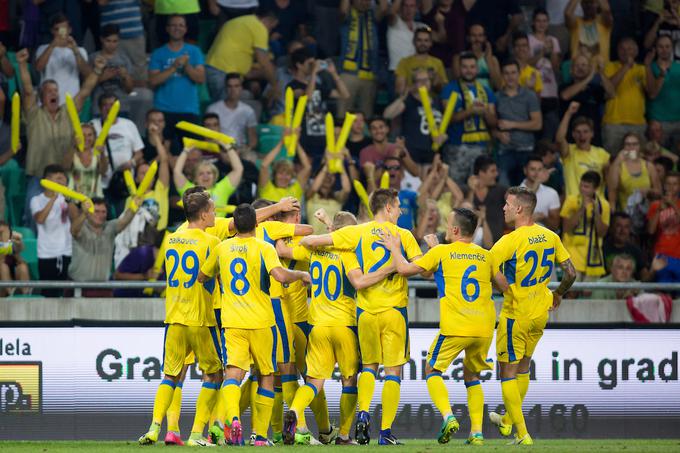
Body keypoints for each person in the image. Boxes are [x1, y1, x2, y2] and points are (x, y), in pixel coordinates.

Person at [300, 188, 422, 445]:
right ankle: (385, 432)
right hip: (393, 312)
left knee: (368, 367)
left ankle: (363, 412)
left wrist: (331, 230)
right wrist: (396, 258)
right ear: (387, 208)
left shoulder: (357, 232)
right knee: (393, 371)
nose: (401, 211)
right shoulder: (403, 235)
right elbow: (418, 267)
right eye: (398, 206)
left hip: (365, 313)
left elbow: (311, 242)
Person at [383, 207, 499, 446]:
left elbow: (405, 270)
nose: (445, 228)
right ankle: (476, 433)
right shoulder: (486, 255)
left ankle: (448, 417)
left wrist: (395, 247)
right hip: (485, 327)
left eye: (447, 224)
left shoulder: (443, 252)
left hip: (457, 326)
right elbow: (501, 285)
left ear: (455, 229)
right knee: (472, 375)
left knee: (432, 369)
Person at [198, 203, 311, 447]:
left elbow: (202, 276)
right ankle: (260, 436)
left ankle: (234, 420)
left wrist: (216, 277)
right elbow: (280, 275)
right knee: (267, 376)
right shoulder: (264, 247)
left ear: (235, 225)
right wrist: (300, 275)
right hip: (262, 321)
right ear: (257, 224)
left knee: (233, 375)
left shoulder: (221, 248)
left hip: (232, 322)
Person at [279, 211, 395, 445]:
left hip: (318, 324)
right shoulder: (350, 253)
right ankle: (343, 435)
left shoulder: (313, 250)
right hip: (345, 324)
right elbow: (360, 279)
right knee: (349, 380)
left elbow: (282, 251)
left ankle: (294, 410)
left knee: (313, 382)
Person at [488, 186, 575, 445]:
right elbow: (570, 273)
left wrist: (506, 289)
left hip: (516, 313)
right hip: (541, 312)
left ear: (518, 208)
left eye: (507, 204)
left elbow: (488, 269)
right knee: (524, 368)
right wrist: (557, 293)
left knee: (507, 372)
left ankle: (522, 433)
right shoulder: (550, 236)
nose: (503, 208)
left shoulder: (509, 240)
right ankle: (506, 421)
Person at [138, 188, 223, 447]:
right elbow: (212, 277)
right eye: (212, 210)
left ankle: (154, 428)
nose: (215, 214)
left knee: (170, 376)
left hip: (173, 318)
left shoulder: (173, 238)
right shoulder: (212, 243)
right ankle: (197, 435)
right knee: (214, 374)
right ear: (203, 213)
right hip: (201, 319)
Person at [16, 48, 102, 227]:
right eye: (49, 91)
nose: (54, 94)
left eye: (56, 91)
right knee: (34, 219)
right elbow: (27, 90)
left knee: (69, 220)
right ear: (42, 96)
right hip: (39, 176)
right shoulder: (34, 114)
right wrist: (23, 65)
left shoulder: (68, 113)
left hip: (65, 177)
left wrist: (97, 71)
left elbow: (85, 91)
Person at [440, 52, 497, 186]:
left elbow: (494, 122)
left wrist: (485, 112)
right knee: (455, 187)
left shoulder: (486, 90)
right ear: (459, 69)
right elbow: (448, 119)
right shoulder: (449, 89)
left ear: (477, 69)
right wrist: (470, 111)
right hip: (457, 147)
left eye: (472, 67)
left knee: (480, 187)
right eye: (465, 67)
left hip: (481, 148)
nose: (469, 70)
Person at [149, 14, 205, 145]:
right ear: (167, 29)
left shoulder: (194, 51)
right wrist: (174, 67)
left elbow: (200, 78)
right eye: (173, 25)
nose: (177, 28)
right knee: (162, 150)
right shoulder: (158, 53)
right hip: (163, 111)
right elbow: (153, 80)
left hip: (189, 110)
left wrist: (186, 66)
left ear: (185, 29)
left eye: (181, 25)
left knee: (192, 153)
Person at [287, 47, 350, 161]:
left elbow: (344, 95)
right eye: (309, 63)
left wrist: (334, 74)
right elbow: (307, 98)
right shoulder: (292, 86)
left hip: (322, 135)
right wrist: (314, 73)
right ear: (299, 65)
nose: (312, 66)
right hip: (305, 137)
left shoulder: (318, 85)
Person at [205, 10, 279, 101]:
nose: (269, 32)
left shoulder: (237, 21)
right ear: (267, 21)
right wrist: (275, 85)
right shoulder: (259, 27)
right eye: (271, 28)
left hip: (212, 67)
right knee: (226, 108)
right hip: (224, 72)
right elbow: (263, 61)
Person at [68, 197, 138, 287]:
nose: (100, 215)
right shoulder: (81, 226)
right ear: (88, 212)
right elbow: (73, 230)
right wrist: (84, 213)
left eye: (103, 212)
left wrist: (134, 208)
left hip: (103, 287)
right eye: (96, 211)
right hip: (78, 287)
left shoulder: (110, 227)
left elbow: (124, 221)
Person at [337, 0, 389, 118]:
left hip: (370, 74)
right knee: (343, 114)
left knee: (366, 116)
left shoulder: (373, 15)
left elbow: (384, 7)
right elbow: (343, 9)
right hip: (348, 73)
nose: (364, 2)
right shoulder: (347, 15)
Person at [494, 59, 543, 186]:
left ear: (519, 73)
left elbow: (537, 124)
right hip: (504, 151)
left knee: (525, 191)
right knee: (503, 189)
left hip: (526, 149)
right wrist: (498, 134)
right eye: (506, 73)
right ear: (502, 75)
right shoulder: (496, 97)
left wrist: (512, 124)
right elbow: (492, 125)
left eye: (513, 73)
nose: (510, 76)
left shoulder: (529, 96)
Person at [383, 69, 446, 167]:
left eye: (426, 80)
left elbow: (444, 127)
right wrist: (402, 98)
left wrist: (443, 136)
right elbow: (387, 115)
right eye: (419, 80)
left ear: (430, 82)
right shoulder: (409, 101)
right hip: (412, 152)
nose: (423, 83)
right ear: (414, 84)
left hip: (431, 151)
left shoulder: (437, 102)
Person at [30, 165, 73, 298]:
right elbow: (40, 219)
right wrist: (54, 197)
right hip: (46, 252)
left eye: (63, 179)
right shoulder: (36, 200)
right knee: (48, 293)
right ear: (47, 180)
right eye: (57, 179)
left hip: (66, 251)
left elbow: (76, 218)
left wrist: (68, 199)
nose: (61, 182)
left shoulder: (67, 199)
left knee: (65, 293)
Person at [600, 38, 648, 155]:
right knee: (613, 158)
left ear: (636, 51)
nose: (626, 52)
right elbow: (610, 87)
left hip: (638, 124)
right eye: (622, 48)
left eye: (629, 48)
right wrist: (626, 66)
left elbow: (651, 93)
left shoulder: (642, 69)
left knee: (637, 160)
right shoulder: (609, 66)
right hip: (614, 123)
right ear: (617, 51)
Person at [560, 171, 610, 280]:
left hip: (593, 259)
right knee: (571, 293)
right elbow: (565, 228)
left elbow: (602, 233)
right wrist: (581, 209)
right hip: (572, 254)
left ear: (595, 188)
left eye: (587, 187)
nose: (583, 189)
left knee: (589, 294)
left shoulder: (604, 206)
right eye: (581, 185)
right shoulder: (571, 201)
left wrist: (596, 214)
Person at [35, 13, 92, 105]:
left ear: (69, 30)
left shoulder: (80, 50)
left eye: (63, 29)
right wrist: (52, 45)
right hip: (46, 102)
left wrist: (75, 50)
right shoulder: (43, 48)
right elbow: (38, 68)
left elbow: (87, 73)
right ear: (52, 31)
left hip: (71, 101)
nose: (60, 32)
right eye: (56, 29)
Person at [556, 101, 610, 198]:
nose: (582, 135)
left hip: (596, 206)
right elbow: (559, 139)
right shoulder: (569, 151)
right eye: (578, 132)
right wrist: (568, 113)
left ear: (592, 134)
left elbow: (609, 181)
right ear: (573, 134)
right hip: (573, 205)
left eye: (585, 132)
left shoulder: (602, 154)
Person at [558, 53, 613, 146]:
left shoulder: (595, 88)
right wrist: (589, 77)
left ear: (589, 69)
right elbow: (565, 96)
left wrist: (601, 73)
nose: (580, 68)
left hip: (593, 138)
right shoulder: (565, 86)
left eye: (584, 65)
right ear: (571, 70)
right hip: (571, 137)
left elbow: (611, 93)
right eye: (577, 65)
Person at [174, 140, 244, 210]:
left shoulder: (222, 188)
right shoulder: (189, 190)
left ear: (215, 176)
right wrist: (185, 151)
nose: (205, 176)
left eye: (209, 173)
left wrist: (229, 148)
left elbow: (238, 169)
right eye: (201, 173)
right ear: (195, 178)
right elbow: (177, 172)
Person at [528, 8, 562, 140]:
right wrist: (541, 52)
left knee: (550, 130)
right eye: (538, 21)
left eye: (544, 21)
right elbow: (526, 63)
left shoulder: (553, 40)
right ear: (533, 23)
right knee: (536, 131)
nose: (541, 24)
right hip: (533, 90)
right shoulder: (528, 39)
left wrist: (552, 51)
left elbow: (556, 67)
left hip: (550, 91)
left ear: (548, 23)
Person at [359, 117, 420, 187]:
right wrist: (394, 157)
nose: (378, 131)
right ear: (370, 132)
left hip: (396, 193)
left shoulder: (397, 147)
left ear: (387, 129)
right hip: (377, 194)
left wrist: (403, 152)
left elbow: (416, 173)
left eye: (381, 127)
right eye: (374, 128)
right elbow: (371, 179)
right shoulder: (365, 152)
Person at [607, 132, 661, 212]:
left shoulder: (648, 166)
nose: (631, 147)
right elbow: (612, 190)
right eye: (628, 144)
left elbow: (659, 192)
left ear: (640, 146)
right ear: (623, 147)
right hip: (626, 213)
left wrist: (648, 191)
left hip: (647, 211)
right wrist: (617, 161)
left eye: (635, 144)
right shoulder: (618, 167)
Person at [89, 24, 134, 116]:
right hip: (99, 108)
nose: (111, 45)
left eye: (115, 41)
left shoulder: (124, 59)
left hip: (121, 107)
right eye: (108, 41)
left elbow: (130, 89)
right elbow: (86, 87)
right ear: (101, 39)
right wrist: (103, 77)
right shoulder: (93, 58)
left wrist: (125, 76)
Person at [206, 73, 258, 149]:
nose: (233, 90)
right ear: (225, 88)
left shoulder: (248, 111)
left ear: (241, 88)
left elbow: (252, 139)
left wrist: (245, 150)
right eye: (229, 86)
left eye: (236, 86)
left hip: (240, 149)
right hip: (219, 148)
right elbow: (207, 136)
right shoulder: (213, 109)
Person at [646, 35, 680, 148]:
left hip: (678, 120)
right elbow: (651, 94)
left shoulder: (678, 67)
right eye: (660, 47)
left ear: (672, 48)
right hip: (658, 121)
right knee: (658, 158)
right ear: (655, 48)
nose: (664, 50)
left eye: (667, 46)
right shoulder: (649, 67)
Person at [646, 172, 680, 283]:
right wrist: (659, 210)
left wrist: (673, 205)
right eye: (668, 184)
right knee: (664, 291)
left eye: (675, 184)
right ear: (664, 185)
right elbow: (650, 231)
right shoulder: (655, 205)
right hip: (661, 255)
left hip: (679, 255)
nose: (671, 187)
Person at [394, 26, 447, 95]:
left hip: (433, 102)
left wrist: (437, 81)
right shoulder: (404, 62)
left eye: (426, 40)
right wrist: (419, 83)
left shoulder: (438, 62)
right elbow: (399, 90)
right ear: (414, 42)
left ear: (431, 43)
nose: (423, 43)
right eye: (419, 40)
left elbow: (445, 90)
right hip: (412, 102)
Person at [258, 136, 312, 202]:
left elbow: (307, 167)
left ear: (292, 177)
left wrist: (296, 142)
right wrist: (282, 142)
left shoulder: (295, 189)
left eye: (288, 174)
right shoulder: (266, 188)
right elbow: (264, 165)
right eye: (280, 173)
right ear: (274, 175)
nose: (284, 177)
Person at [467, 155, 507, 244]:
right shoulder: (468, 191)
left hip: (496, 242)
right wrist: (472, 189)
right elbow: (466, 214)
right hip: (473, 241)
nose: (496, 174)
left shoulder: (501, 190)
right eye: (492, 171)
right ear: (481, 173)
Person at [306, 157, 352, 234]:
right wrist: (326, 166)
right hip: (314, 241)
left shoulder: (337, 197)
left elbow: (347, 189)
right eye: (326, 174)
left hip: (332, 240)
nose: (328, 177)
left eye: (332, 175)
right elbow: (314, 188)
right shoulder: (311, 195)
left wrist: (341, 168)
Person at [452, 23, 502, 90]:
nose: (477, 39)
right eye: (473, 35)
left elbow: (498, 85)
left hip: (488, 97)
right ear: (468, 38)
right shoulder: (458, 58)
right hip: (466, 96)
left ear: (484, 38)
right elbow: (457, 82)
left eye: (480, 35)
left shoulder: (492, 59)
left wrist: (488, 61)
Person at [65, 123, 108, 199]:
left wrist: (102, 153)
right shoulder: (71, 153)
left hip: (95, 199)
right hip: (73, 198)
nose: (86, 138)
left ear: (94, 137)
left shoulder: (98, 154)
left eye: (89, 135)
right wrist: (73, 146)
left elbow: (103, 171)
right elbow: (65, 167)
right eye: (83, 135)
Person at [520, 155, 561, 231]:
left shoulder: (552, 193)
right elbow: (509, 224)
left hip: (544, 240)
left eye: (539, 169)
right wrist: (531, 219)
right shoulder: (514, 193)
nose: (536, 173)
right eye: (533, 169)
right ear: (525, 170)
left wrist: (544, 218)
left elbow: (555, 226)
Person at [565, 0, 613, 65]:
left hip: (601, 69)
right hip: (579, 69)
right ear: (581, 5)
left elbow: (606, 10)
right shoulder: (576, 22)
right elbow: (568, 13)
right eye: (585, 3)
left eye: (592, 2)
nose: (588, 5)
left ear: (598, 4)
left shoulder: (603, 21)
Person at [603, 212, 647, 279]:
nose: (622, 230)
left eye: (626, 227)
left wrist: (653, 269)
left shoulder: (635, 250)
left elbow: (645, 277)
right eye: (618, 226)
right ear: (611, 228)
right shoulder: (602, 249)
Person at [386, 0, 424, 75]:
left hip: (415, 74)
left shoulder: (420, 26)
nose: (408, 9)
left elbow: (440, 38)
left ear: (416, 9)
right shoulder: (395, 23)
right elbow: (390, 13)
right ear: (400, 8)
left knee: (423, 87)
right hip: (396, 72)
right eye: (405, 6)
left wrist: (440, 23)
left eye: (412, 6)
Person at [0, 222, 30, 297]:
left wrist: (18, 243)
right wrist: (5, 244)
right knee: (3, 266)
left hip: (13, 275)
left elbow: (20, 258)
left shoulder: (11, 242)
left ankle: (25, 293)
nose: (4, 235)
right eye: (1, 233)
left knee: (23, 266)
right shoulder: (5, 245)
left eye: (6, 232)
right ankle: (11, 293)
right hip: (2, 280)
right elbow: (2, 259)